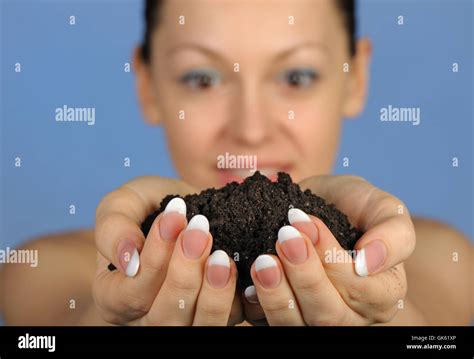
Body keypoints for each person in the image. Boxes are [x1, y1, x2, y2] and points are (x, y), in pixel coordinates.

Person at [1, 0, 472, 326]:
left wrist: (377, 313)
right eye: (203, 78)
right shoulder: (44, 268)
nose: (250, 130)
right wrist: (122, 315)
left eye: (297, 75)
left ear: (356, 76)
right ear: (147, 83)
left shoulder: (441, 261)